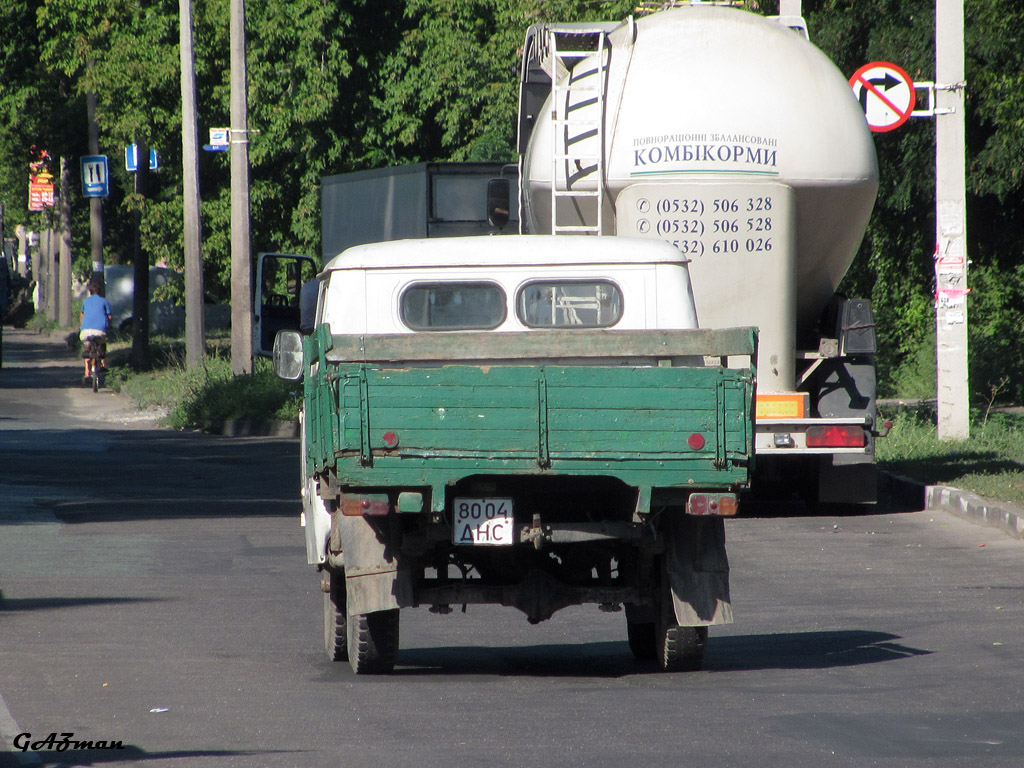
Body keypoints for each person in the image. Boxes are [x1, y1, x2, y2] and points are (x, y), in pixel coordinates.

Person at [79, 280, 111, 381]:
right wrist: (108, 326)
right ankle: (103, 364)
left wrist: (82, 327)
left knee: (87, 348)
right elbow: (109, 317)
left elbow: (82, 316)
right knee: (102, 343)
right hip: (100, 331)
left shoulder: (85, 302)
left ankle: (87, 373)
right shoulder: (104, 301)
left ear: (90, 292)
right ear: (100, 292)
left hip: (86, 331)